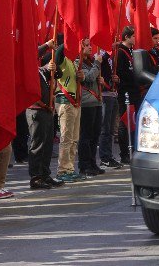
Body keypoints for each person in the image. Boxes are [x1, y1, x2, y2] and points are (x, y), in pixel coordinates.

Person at [28, 42, 65, 189]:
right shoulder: (29, 66)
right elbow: (32, 56)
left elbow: (56, 76)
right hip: (36, 109)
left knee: (48, 143)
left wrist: (51, 69)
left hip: (47, 110)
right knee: (37, 144)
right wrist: (47, 45)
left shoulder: (42, 71)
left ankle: (45, 174)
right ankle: (36, 177)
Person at [54, 37, 86, 183]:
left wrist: (82, 76)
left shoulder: (73, 62)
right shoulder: (62, 60)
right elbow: (58, 54)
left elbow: (76, 80)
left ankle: (70, 168)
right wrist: (70, 37)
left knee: (74, 139)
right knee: (66, 138)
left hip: (76, 102)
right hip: (65, 102)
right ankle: (62, 170)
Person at [77, 39, 104, 177]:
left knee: (95, 135)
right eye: (86, 45)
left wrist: (102, 81)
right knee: (86, 136)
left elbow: (94, 78)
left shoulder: (91, 62)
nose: (90, 47)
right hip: (87, 103)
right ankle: (84, 165)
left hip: (97, 102)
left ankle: (93, 163)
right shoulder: (78, 62)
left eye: (90, 45)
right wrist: (98, 64)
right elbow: (87, 77)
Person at [115, 26, 141, 165]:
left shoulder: (132, 51)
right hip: (126, 93)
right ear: (127, 37)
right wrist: (132, 77)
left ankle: (133, 151)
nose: (136, 38)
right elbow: (121, 73)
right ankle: (124, 153)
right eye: (134, 36)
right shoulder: (120, 52)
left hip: (135, 92)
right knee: (125, 123)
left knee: (133, 123)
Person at [98, 53, 122, 169]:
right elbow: (97, 61)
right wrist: (109, 52)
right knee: (105, 129)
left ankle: (109, 155)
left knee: (111, 130)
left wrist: (116, 79)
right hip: (104, 95)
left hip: (113, 95)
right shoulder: (100, 53)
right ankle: (104, 158)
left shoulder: (111, 58)